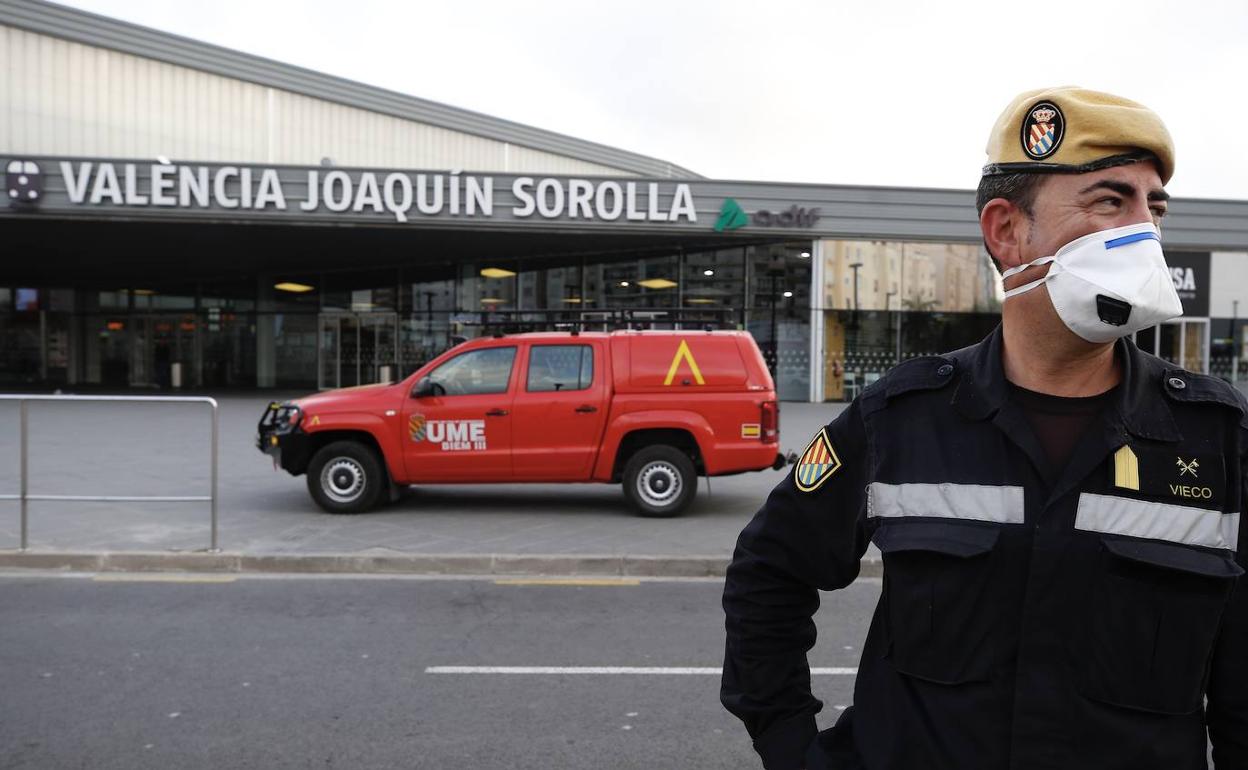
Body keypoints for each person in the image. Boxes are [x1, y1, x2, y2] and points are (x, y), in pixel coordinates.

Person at [721, 86, 1248, 770]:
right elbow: (769, 571)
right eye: (1111, 202)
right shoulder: (901, 418)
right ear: (1006, 230)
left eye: (1155, 209)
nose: (1144, 232)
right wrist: (791, 747)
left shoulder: (1218, 439)